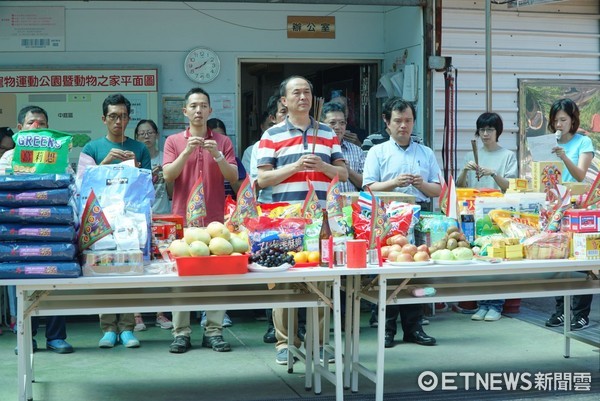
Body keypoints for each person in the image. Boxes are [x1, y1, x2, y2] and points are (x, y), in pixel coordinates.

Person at [257, 75, 347, 364]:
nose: (303, 97)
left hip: (321, 221)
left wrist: (322, 166)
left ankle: (318, 343)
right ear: (284, 100)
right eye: (296, 93)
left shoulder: (327, 133)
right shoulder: (271, 136)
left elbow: (343, 174)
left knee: (321, 282)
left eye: (307, 92)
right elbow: (262, 178)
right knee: (284, 281)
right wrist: (295, 167)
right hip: (286, 221)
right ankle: (285, 343)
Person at [163, 87, 238, 353]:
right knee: (181, 278)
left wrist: (217, 154)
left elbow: (233, 177)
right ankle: (181, 333)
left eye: (203, 105)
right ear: (185, 111)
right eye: (193, 106)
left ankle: (214, 331)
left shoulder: (222, 141)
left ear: (210, 111)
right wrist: (185, 153)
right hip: (183, 221)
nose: (198, 110)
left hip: (215, 220)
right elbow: (168, 176)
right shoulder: (173, 141)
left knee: (216, 277)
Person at [362, 98, 440, 347]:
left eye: (408, 120)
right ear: (387, 123)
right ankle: (386, 328)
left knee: (415, 273)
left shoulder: (425, 152)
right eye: (398, 121)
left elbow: (437, 190)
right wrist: (394, 183)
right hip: (388, 218)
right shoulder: (378, 151)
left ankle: (414, 328)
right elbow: (368, 187)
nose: (403, 126)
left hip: (419, 216)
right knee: (389, 273)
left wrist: (421, 184)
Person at [78, 94, 151, 349]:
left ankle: (128, 328)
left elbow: (148, 188)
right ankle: (108, 328)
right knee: (104, 273)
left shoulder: (139, 148)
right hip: (101, 223)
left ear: (129, 118)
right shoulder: (92, 148)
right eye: (113, 116)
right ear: (103, 118)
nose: (118, 121)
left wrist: (138, 169)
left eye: (123, 116)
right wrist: (104, 164)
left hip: (131, 222)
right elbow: (81, 185)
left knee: (129, 273)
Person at [8, 106, 73, 354]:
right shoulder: (8, 158)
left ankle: (56, 336)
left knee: (53, 279)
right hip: (20, 230)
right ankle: (25, 337)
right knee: (24, 283)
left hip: (53, 228)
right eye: (31, 122)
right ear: (20, 128)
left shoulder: (57, 156)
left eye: (42, 123)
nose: (37, 127)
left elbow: (69, 186)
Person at [457, 112, 518, 322]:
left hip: (498, 216)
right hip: (474, 215)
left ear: (497, 132)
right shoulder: (470, 156)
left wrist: (493, 173)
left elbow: (510, 186)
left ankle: (496, 305)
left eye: (490, 130)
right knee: (479, 259)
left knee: (497, 260)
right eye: (482, 130)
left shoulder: (507, 155)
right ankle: (483, 303)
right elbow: (460, 186)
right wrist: (465, 171)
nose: (485, 134)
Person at [545, 98, 594, 331]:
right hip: (552, 206)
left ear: (573, 120)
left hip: (576, 207)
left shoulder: (583, 141)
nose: (559, 124)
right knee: (558, 257)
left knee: (582, 259)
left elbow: (580, 176)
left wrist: (563, 156)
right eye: (555, 120)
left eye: (563, 120)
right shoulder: (548, 142)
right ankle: (560, 311)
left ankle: (581, 313)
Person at [132, 119, 173, 332]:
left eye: (149, 132)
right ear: (137, 137)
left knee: (163, 267)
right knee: (138, 266)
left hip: (163, 215)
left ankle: (161, 313)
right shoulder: (134, 157)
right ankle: (137, 315)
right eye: (141, 133)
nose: (146, 136)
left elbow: (172, 188)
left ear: (157, 135)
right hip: (138, 219)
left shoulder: (165, 157)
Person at [321, 101, 365, 193]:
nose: (338, 127)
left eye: (342, 123)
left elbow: (365, 184)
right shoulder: (316, 149)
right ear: (321, 124)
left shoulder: (356, 150)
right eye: (332, 123)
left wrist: (347, 171)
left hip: (349, 206)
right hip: (322, 205)